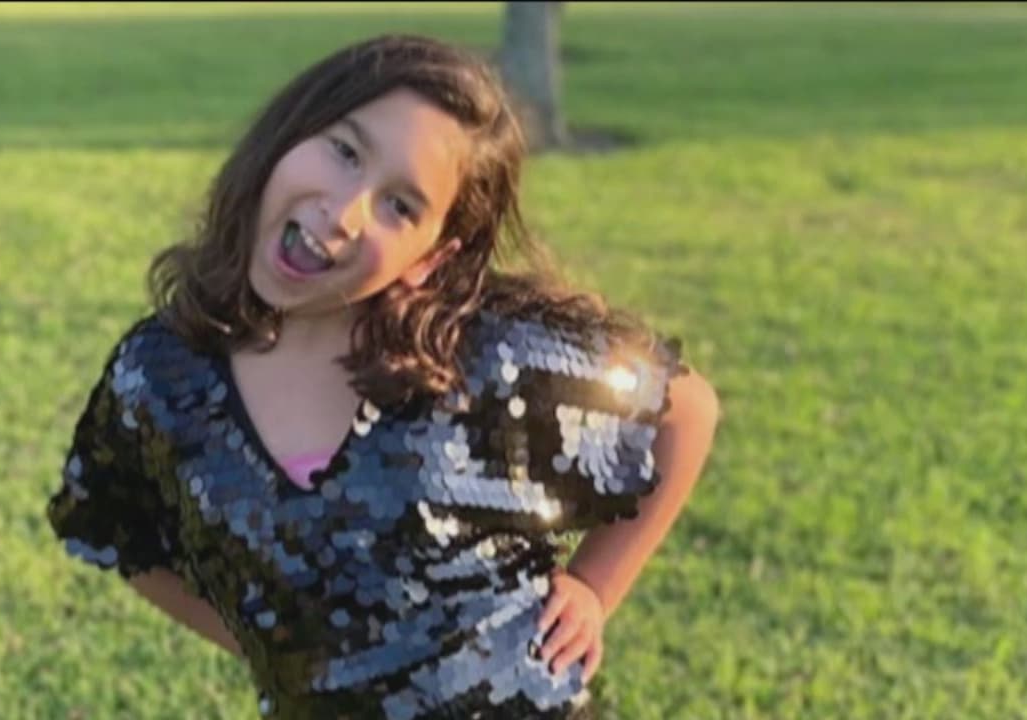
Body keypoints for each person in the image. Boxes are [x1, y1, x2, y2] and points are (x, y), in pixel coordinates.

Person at [45, 33, 720, 720]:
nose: (343, 214)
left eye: (401, 205)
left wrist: (595, 586)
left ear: (432, 256)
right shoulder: (161, 377)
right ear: (291, 131)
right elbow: (116, 530)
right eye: (345, 151)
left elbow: (686, 409)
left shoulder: (491, 359)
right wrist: (277, 651)